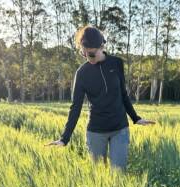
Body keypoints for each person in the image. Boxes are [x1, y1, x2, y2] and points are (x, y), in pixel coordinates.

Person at [45, 25, 155, 171]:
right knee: (99, 178)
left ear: (101, 46)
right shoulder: (82, 73)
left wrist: (135, 118)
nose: (88, 57)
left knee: (118, 175)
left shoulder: (116, 63)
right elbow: (75, 107)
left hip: (119, 129)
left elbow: (123, 94)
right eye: (84, 54)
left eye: (91, 54)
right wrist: (64, 138)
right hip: (96, 132)